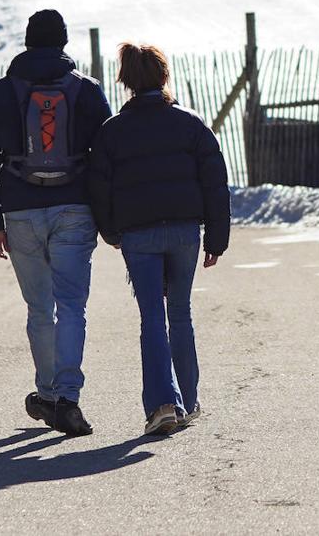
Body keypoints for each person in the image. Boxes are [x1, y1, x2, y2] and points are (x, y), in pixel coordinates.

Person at [0, 9, 112, 437]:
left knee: (40, 308)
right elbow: (107, 157)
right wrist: (109, 217)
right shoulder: (86, 90)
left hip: (19, 210)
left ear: (28, 42)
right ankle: (67, 398)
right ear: (65, 43)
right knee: (73, 306)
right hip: (74, 208)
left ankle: (48, 392)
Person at [87, 42, 230, 436]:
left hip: (138, 235)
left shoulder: (112, 131)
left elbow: (99, 187)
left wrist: (111, 231)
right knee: (180, 313)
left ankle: (164, 405)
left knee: (151, 317)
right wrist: (216, 238)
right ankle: (188, 399)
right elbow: (215, 183)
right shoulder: (191, 123)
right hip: (185, 230)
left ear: (127, 81)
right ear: (164, 76)